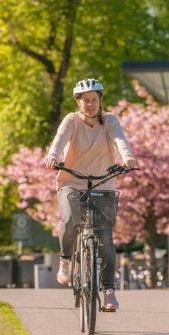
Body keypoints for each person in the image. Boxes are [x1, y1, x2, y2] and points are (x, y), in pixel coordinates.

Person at [45, 78, 136, 310]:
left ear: (100, 100)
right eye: (85, 100)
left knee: (105, 237)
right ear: (78, 102)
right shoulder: (71, 121)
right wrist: (53, 155)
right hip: (71, 181)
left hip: (103, 182)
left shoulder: (110, 121)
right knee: (69, 219)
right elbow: (59, 140)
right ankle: (65, 261)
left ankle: (108, 291)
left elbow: (120, 141)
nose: (90, 104)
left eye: (94, 100)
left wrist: (127, 157)